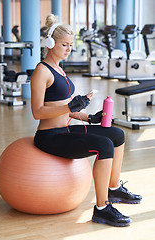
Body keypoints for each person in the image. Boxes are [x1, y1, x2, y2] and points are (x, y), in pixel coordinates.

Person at [31, 14, 142, 227]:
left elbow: (66, 110)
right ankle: (102, 208)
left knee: (117, 134)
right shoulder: (41, 71)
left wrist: (90, 117)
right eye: (65, 44)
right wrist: (70, 106)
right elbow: (37, 112)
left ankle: (114, 187)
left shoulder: (60, 70)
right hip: (49, 137)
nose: (69, 49)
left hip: (65, 129)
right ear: (50, 43)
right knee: (103, 144)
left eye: (71, 45)